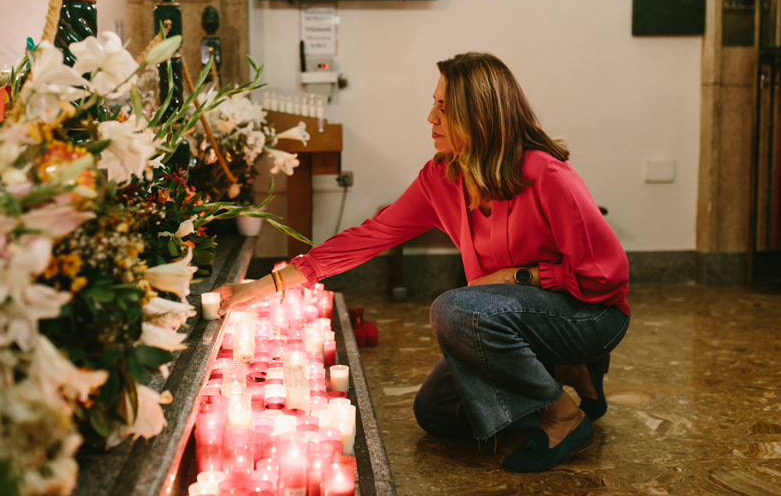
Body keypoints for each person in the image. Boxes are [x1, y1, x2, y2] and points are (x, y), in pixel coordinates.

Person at [215, 52, 630, 473]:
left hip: (588, 314)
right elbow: (368, 237)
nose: (431, 117)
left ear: (479, 114)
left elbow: (606, 278)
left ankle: (563, 417)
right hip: (514, 322)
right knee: (436, 412)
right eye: (435, 104)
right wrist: (264, 286)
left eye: (444, 108)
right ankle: (562, 369)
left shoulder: (545, 174)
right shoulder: (442, 178)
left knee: (454, 309)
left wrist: (519, 276)